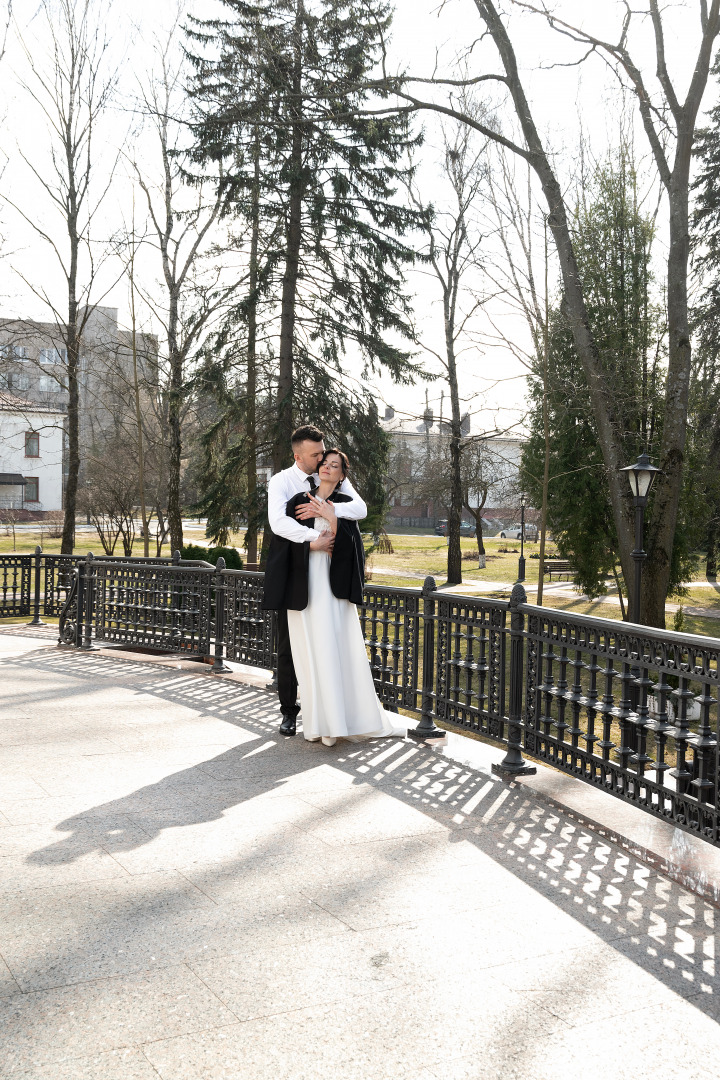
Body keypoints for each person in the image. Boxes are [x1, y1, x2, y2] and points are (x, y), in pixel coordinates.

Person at [282, 448, 405, 746]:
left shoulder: (345, 504)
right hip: (302, 583)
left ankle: (338, 722)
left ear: (342, 475)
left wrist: (329, 515)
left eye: (334, 465)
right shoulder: (298, 501)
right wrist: (311, 543)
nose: (327, 468)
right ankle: (316, 722)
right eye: (324, 463)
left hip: (330, 583)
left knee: (332, 646)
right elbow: (282, 543)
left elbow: (349, 546)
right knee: (309, 650)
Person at [262, 425, 367, 736]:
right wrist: (312, 540)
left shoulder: (334, 480)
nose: (322, 459)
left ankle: (324, 710)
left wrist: (328, 509)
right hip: (294, 571)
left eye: (324, 453)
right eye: (316, 455)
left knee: (323, 640)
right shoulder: (282, 482)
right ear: (298, 455)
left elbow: (359, 508)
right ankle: (288, 712)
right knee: (288, 646)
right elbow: (278, 523)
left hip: (325, 577)